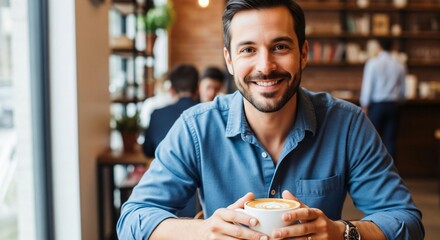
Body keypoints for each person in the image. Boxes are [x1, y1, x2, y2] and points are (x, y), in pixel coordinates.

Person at [118, 1, 424, 239]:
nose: (265, 66)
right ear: (229, 60)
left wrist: (341, 233)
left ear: (303, 53)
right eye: (248, 49)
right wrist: (203, 232)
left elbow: (406, 221)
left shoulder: (347, 124)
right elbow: (133, 219)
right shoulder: (196, 127)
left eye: (280, 47)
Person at [360, 38, 406, 160]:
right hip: (393, 106)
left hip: (377, 106)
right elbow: (402, 91)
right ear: (393, 48)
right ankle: (391, 175)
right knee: (390, 141)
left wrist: (364, 105)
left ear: (379, 47)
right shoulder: (399, 65)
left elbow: (367, 87)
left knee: (373, 141)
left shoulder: (372, 63)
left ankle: (373, 175)